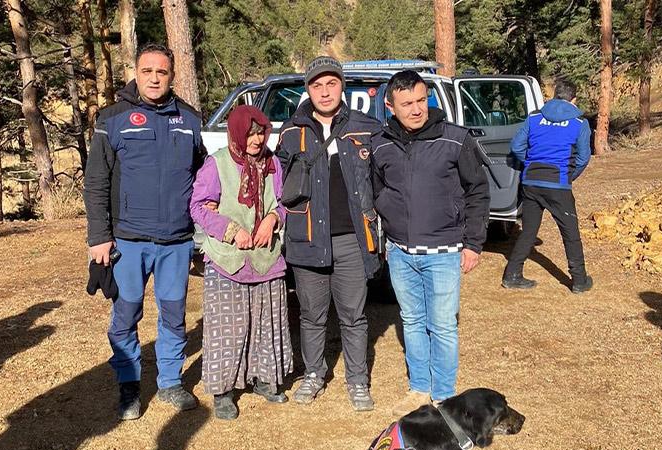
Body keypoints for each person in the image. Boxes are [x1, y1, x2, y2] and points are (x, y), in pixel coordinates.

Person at [83, 43, 205, 420]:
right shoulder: (113, 117)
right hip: (128, 240)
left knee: (173, 314)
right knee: (126, 314)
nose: (155, 78)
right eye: (148, 71)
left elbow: (202, 180)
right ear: (136, 72)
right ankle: (129, 385)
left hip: (176, 241)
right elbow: (96, 181)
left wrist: (204, 230)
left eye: (162, 72)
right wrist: (98, 236)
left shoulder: (190, 119)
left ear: (172, 75)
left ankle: (169, 383)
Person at [369, 70, 490, 416]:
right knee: (411, 321)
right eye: (407, 104)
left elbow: (478, 191)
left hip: (444, 252)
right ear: (391, 106)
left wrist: (474, 243)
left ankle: (444, 396)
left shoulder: (455, 139)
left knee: (443, 325)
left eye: (421, 100)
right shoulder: (380, 144)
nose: (416, 109)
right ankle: (419, 389)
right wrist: (388, 224)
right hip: (401, 253)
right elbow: (377, 189)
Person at [275, 56, 382, 412]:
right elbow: (276, 186)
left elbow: (384, 181)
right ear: (307, 89)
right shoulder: (291, 132)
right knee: (311, 314)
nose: (324, 91)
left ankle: (357, 380)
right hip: (306, 238)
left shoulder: (367, 128)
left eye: (331, 83)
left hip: (353, 239)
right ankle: (314, 375)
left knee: (354, 315)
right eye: (317, 85)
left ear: (342, 86)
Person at [190, 105, 293, 420]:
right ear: (236, 133)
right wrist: (231, 231)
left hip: (265, 258)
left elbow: (285, 203)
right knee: (229, 328)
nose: (256, 139)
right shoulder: (216, 165)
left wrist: (273, 219)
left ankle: (265, 379)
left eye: (260, 132)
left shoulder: (273, 163)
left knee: (267, 322)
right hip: (228, 259)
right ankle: (223, 391)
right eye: (249, 133)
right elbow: (198, 207)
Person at [502, 77, 593, 293]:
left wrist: (530, 164)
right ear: (574, 99)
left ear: (554, 96)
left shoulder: (534, 117)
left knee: (529, 230)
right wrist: (569, 176)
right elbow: (583, 158)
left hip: (531, 182)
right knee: (570, 231)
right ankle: (579, 280)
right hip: (558, 183)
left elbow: (516, 146)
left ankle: (512, 274)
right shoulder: (580, 122)